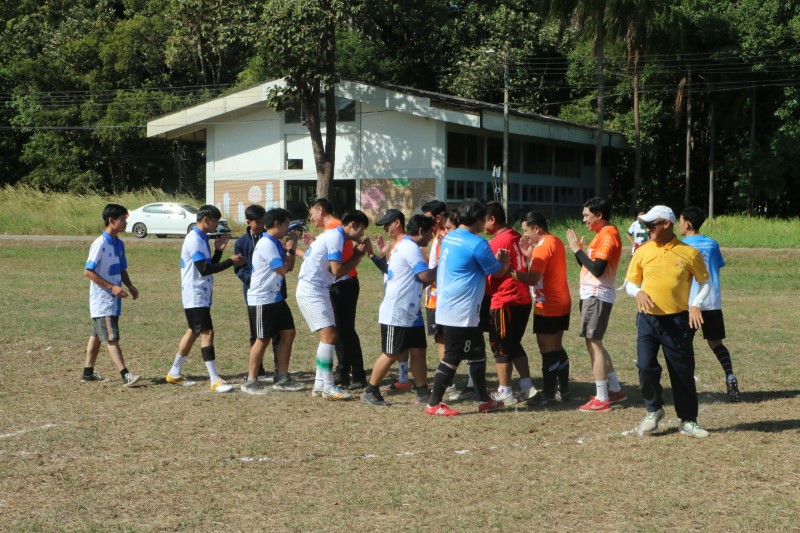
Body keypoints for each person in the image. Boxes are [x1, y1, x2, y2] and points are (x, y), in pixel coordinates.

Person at [626, 205, 712, 438]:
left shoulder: (689, 253)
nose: (647, 229)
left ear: (666, 224)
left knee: (682, 371)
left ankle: (688, 420)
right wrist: (638, 292)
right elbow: (630, 282)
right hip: (647, 320)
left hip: (677, 322)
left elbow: (705, 282)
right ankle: (654, 410)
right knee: (645, 366)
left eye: (650, 224)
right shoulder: (643, 251)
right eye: (645, 224)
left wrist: (696, 304)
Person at [425, 199, 510, 416]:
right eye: (484, 218)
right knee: (452, 357)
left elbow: (471, 265)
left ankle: (483, 400)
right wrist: (503, 262)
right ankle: (433, 404)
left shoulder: (450, 237)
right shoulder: (477, 243)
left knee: (477, 353)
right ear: (478, 219)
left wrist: (493, 262)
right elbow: (496, 272)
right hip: (461, 310)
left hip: (451, 305)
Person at [165, 205, 245, 392]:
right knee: (207, 333)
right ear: (206, 219)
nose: (217, 225)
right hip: (195, 295)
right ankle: (214, 379)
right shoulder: (194, 239)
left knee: (193, 331)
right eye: (215, 221)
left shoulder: (201, 238)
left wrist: (218, 251)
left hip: (199, 294)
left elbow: (208, 266)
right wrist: (231, 261)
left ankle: (174, 373)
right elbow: (204, 269)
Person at [362, 215, 437, 407]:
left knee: (418, 351)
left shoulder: (404, 245)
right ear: (421, 231)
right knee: (392, 353)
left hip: (412, 312)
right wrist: (444, 265)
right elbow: (425, 275)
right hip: (397, 311)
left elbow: (417, 279)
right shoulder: (409, 247)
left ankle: (422, 392)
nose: (431, 237)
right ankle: (370, 390)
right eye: (430, 232)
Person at [296, 210, 371, 400]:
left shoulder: (334, 235)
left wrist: (355, 255)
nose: (362, 234)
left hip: (318, 289)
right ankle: (328, 387)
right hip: (312, 290)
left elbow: (331, 269)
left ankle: (319, 385)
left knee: (328, 337)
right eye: (362, 229)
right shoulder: (336, 236)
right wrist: (358, 255)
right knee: (329, 337)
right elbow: (337, 271)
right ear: (353, 224)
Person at [566, 197, 627, 412]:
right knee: (595, 342)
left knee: (594, 344)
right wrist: (579, 251)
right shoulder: (600, 235)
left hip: (597, 295)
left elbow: (598, 270)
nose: (584, 220)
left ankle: (602, 398)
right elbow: (588, 265)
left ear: (599, 215)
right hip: (591, 294)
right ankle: (615, 389)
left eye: (586, 215)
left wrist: (577, 250)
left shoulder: (608, 235)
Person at [679, 206, 740, 402]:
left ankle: (687, 385)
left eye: (680, 221)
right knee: (716, 343)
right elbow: (716, 267)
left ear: (688, 224)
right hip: (712, 301)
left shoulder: (681, 246)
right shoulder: (713, 244)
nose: (678, 225)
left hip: (690, 304)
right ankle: (729, 375)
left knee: (684, 345)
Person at [241, 208, 305, 395]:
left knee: (288, 333)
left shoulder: (275, 242)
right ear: (277, 224)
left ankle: (282, 377)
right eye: (286, 224)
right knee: (263, 339)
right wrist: (290, 249)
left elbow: (289, 267)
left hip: (275, 297)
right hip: (262, 298)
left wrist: (291, 248)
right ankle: (251, 380)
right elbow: (282, 270)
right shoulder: (266, 244)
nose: (288, 228)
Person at [513, 211, 571, 405]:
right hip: (561, 302)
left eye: (526, 230)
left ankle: (547, 394)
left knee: (547, 350)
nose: (525, 235)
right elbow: (546, 267)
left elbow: (533, 278)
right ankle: (563, 390)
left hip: (547, 306)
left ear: (536, 228)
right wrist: (530, 255)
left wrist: (509, 272)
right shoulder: (555, 241)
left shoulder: (542, 247)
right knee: (556, 347)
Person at [482, 201, 537, 405]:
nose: (481, 224)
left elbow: (492, 272)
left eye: (483, 220)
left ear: (492, 219)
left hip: (505, 300)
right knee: (513, 343)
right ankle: (526, 385)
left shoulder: (498, 241)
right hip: (522, 299)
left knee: (501, 346)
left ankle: (505, 390)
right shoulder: (515, 235)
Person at [82, 204, 141, 387]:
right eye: (122, 219)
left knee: (97, 335)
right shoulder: (99, 244)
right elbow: (88, 272)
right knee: (111, 337)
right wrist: (111, 287)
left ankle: (87, 373)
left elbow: (121, 268)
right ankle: (125, 375)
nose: (125, 223)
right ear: (111, 220)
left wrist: (129, 285)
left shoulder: (119, 244)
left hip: (113, 300)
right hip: (103, 300)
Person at [370, 209, 414, 393]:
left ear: (397, 223)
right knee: (397, 349)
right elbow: (391, 272)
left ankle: (372, 389)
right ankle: (401, 380)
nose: (385, 228)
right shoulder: (397, 245)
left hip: (400, 305)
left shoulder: (406, 245)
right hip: (398, 304)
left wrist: (372, 255)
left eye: (387, 224)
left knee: (394, 351)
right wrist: (380, 255)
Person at [234, 204, 275, 381]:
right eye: (257, 222)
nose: (260, 225)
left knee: (277, 330)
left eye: (262, 221)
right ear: (248, 222)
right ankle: (258, 369)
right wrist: (252, 281)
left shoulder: (270, 238)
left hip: (273, 289)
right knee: (256, 330)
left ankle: (280, 369)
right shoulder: (241, 243)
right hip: (254, 291)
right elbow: (240, 268)